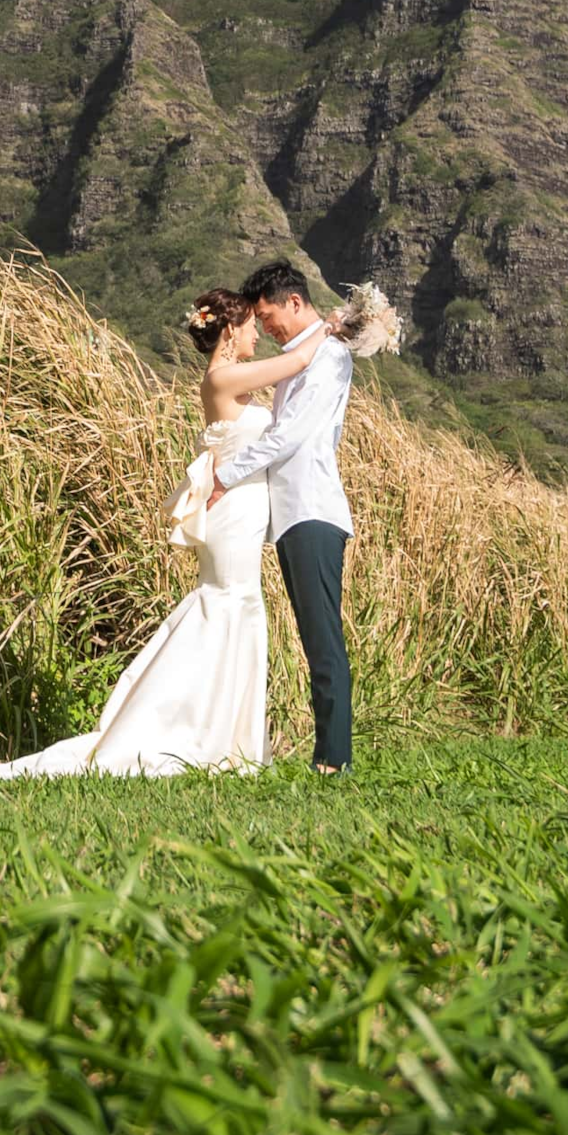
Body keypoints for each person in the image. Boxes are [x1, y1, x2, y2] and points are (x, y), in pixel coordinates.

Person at [0, 288, 319, 780]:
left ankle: (226, 737)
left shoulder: (231, 380)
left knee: (236, 608)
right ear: (231, 330)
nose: (258, 331)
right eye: (252, 324)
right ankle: (197, 733)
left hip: (239, 512)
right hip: (231, 513)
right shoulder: (225, 378)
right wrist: (338, 327)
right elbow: (299, 358)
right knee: (230, 605)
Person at [205, 261, 378, 773]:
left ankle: (334, 758)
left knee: (322, 637)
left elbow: (289, 436)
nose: (266, 325)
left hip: (311, 510)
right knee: (312, 635)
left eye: (268, 314)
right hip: (290, 516)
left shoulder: (326, 358)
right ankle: (324, 754)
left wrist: (224, 476)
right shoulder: (305, 356)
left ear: (295, 303)